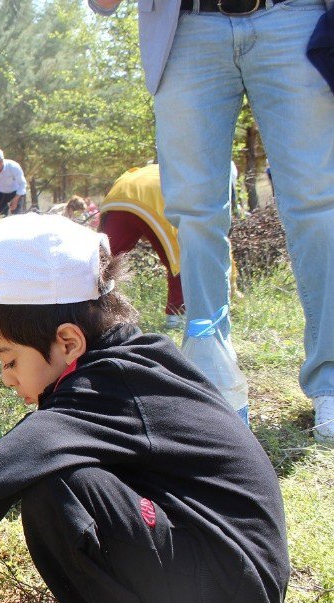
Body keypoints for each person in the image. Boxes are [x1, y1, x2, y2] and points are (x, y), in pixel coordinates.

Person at [0, 215, 289, 603]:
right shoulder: (129, 363)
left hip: (228, 585)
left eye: (11, 360)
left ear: (69, 342)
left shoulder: (112, 383)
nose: (6, 378)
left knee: (52, 482)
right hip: (226, 572)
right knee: (57, 468)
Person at [89, 0, 334, 442]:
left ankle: (331, 380)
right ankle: (212, 384)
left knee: (317, 207)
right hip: (186, 27)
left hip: (295, 16)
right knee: (195, 214)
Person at [99, 164, 185, 329]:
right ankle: (177, 313)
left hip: (119, 195)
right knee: (177, 257)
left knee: (102, 259)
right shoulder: (182, 178)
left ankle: (84, 307)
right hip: (152, 198)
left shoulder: (155, 171)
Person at [0, 147, 26, 216]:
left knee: (17, 217)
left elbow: (22, 183)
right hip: (0, 194)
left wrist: (16, 199)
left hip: (15, 193)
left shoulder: (13, 167)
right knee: (1, 217)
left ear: (1, 160)